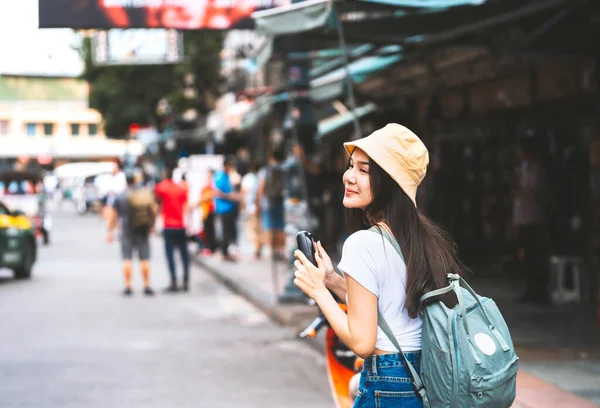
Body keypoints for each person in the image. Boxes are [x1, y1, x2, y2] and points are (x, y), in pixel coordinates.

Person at [293, 124, 465, 408]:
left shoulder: (362, 243)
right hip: (427, 377)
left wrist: (318, 293)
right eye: (351, 166)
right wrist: (333, 281)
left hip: (390, 382)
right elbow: (387, 306)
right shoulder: (425, 238)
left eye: (364, 170)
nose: (349, 177)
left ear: (390, 183)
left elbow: (362, 342)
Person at [513, 135, 550, 304]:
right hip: (522, 218)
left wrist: (520, 191)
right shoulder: (522, 168)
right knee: (526, 256)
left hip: (534, 218)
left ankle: (539, 291)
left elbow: (534, 193)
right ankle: (530, 289)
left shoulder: (536, 169)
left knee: (536, 256)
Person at [107, 172, 156, 296]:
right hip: (142, 229)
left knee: (127, 259)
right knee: (144, 258)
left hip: (126, 230)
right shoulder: (143, 194)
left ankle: (128, 286)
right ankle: (146, 285)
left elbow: (113, 215)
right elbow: (153, 210)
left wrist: (109, 231)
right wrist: (152, 225)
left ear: (126, 181)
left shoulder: (121, 196)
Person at [155, 167, 190, 292]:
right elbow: (186, 205)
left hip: (168, 225)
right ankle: (186, 279)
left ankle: (174, 281)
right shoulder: (181, 188)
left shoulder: (161, 187)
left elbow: (157, 200)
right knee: (184, 254)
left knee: (170, 255)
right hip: (181, 225)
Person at [257, 149, 286, 261]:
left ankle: (274, 252)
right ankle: (281, 251)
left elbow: (261, 186)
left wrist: (258, 201)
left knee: (271, 228)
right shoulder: (283, 169)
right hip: (280, 202)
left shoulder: (266, 170)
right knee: (281, 228)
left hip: (269, 203)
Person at [213, 156, 240, 262]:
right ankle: (224, 252)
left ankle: (226, 251)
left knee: (229, 230)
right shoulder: (221, 176)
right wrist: (230, 196)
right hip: (224, 208)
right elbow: (218, 192)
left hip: (228, 207)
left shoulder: (226, 176)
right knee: (226, 231)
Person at [240, 162, 263, 259]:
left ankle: (257, 249)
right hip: (259, 207)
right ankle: (258, 248)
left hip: (250, 207)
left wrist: (242, 206)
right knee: (258, 228)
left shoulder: (247, 178)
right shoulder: (259, 177)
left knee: (251, 229)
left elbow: (243, 192)